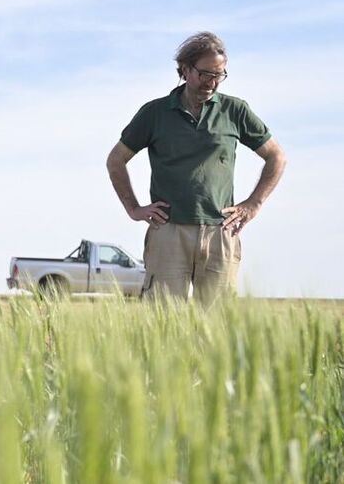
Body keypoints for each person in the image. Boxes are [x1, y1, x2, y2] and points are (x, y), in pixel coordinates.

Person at [106, 31, 286, 305]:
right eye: (205, 74)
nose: (212, 82)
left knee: (216, 328)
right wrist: (134, 208)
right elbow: (116, 160)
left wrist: (253, 203)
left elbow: (276, 156)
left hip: (220, 231)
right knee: (161, 323)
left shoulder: (234, 111)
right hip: (168, 232)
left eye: (219, 75)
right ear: (185, 70)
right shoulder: (154, 113)